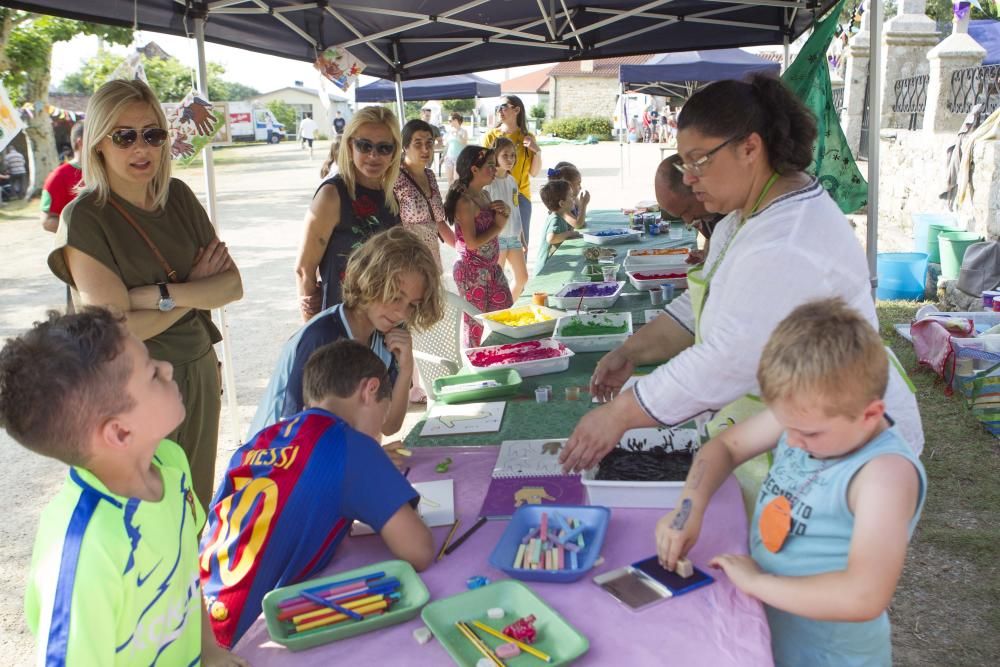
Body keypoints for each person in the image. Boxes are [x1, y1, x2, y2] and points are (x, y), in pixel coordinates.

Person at [559, 75, 923, 487]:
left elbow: (727, 359)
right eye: (684, 164)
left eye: (698, 161)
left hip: (849, 450)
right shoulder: (742, 217)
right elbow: (700, 305)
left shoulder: (785, 240)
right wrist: (631, 351)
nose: (690, 179)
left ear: (750, 147)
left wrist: (620, 414)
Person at [655, 299, 926, 667]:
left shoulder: (884, 476)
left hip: (829, 657)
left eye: (808, 434)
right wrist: (688, 508)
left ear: (870, 414)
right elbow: (726, 447)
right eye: (788, 427)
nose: (792, 442)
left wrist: (756, 583)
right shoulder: (813, 411)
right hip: (773, 637)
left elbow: (863, 596)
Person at [0, 308, 246, 666]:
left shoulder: (171, 463)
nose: (168, 369)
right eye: (151, 374)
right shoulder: (84, 553)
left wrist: (208, 651)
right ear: (119, 432)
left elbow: (186, 573)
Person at [48, 79, 244, 511]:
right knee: (147, 513)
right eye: (125, 136)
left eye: (153, 134)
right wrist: (194, 291)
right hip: (132, 386)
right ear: (98, 143)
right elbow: (115, 327)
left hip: (196, 369)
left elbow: (232, 286)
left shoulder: (177, 197)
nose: (142, 148)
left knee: (194, 504)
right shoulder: (84, 217)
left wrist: (157, 294)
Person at [202, 338, 434, 649]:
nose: (379, 431)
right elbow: (419, 551)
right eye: (383, 414)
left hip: (195, 625)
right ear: (370, 390)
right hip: (242, 644)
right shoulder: (351, 445)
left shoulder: (259, 441)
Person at [250, 227, 443, 439]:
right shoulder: (322, 336)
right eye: (395, 297)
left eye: (412, 305)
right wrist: (363, 459)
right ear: (371, 281)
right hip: (275, 462)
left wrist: (406, 369)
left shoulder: (386, 336)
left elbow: (388, 426)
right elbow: (295, 434)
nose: (402, 312)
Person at [296, 106, 402, 320]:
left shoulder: (390, 197)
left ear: (394, 152)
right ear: (350, 145)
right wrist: (313, 328)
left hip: (386, 320)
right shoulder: (332, 195)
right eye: (364, 145)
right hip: (342, 323)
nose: (373, 155)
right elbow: (304, 270)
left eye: (384, 148)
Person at [444, 145, 513, 348]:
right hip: (472, 273)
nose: (495, 169)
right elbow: (472, 243)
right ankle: (472, 368)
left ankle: (504, 354)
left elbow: (494, 219)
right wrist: (499, 224)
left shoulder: (484, 195)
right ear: (474, 169)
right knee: (474, 327)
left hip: (491, 269)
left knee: (505, 314)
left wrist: (504, 210)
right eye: (490, 166)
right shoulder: (465, 202)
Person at [394, 118, 455, 271]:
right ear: (405, 146)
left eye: (429, 143)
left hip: (432, 261)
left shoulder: (430, 176)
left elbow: (439, 222)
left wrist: (464, 248)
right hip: (406, 262)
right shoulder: (395, 179)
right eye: (418, 144)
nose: (425, 149)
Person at [483, 95, 542, 247]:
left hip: (520, 195)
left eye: (503, 106)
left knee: (521, 245)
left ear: (516, 110)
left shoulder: (527, 138)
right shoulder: (490, 136)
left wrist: (537, 151)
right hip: (493, 194)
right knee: (494, 244)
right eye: (497, 108)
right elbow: (482, 167)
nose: (499, 110)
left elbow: (534, 173)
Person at [655, 154, 723, 264]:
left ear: (698, 188)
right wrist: (706, 254)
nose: (688, 220)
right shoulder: (707, 212)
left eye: (687, 209)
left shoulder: (733, 212)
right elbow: (712, 236)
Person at [486, 137, 528, 301]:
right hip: (498, 238)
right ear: (495, 156)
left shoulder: (512, 181)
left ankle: (507, 307)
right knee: (497, 282)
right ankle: (498, 314)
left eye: (512, 155)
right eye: (505, 155)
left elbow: (516, 210)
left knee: (522, 278)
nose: (510, 159)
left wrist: (522, 237)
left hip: (514, 237)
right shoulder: (489, 182)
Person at [40, 121, 85, 233]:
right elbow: (47, 221)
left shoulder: (110, 171)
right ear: (81, 142)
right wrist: (82, 231)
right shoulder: (58, 177)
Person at [535, 179, 581, 275]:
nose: (573, 198)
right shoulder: (555, 218)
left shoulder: (562, 215)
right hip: (546, 267)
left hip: (553, 265)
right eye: (570, 196)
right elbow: (551, 238)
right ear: (562, 203)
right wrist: (569, 234)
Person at [548, 161, 589, 229]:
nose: (580, 187)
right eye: (578, 183)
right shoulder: (562, 206)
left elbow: (580, 219)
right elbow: (578, 224)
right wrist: (584, 205)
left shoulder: (570, 200)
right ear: (569, 185)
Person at [443, 111, 468, 185]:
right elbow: (447, 145)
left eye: (450, 120)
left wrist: (458, 135)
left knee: (457, 180)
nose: (449, 122)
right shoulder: (449, 132)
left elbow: (464, 143)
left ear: (456, 120)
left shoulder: (464, 131)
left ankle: (456, 196)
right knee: (449, 180)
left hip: (459, 158)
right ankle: (450, 196)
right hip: (449, 158)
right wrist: (443, 156)